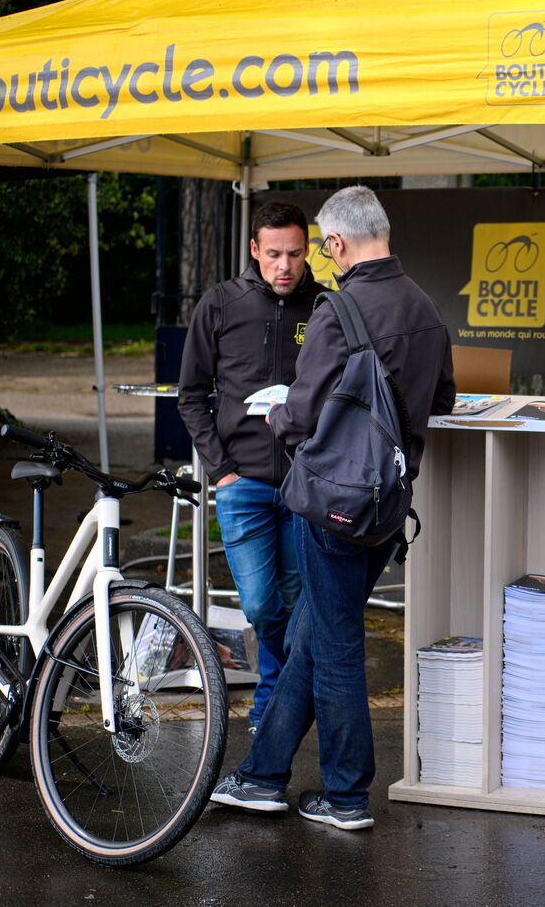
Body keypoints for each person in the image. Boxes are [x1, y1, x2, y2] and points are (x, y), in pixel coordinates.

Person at [211, 185, 455, 831]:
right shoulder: (425, 306)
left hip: (333, 504)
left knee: (336, 642)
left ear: (338, 243)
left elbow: (301, 415)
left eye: (322, 245)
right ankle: (263, 776)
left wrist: (277, 415)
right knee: (312, 635)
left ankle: (346, 794)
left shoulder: (339, 309)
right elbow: (444, 400)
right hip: (389, 503)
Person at [178, 201, 323, 731]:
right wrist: (221, 470)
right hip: (242, 484)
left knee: (295, 598)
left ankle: (269, 709)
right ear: (255, 249)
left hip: (305, 483)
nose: (285, 266)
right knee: (262, 605)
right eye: (275, 254)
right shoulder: (220, 303)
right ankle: (286, 700)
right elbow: (191, 395)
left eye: (295, 254)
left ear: (307, 251)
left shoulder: (325, 306)